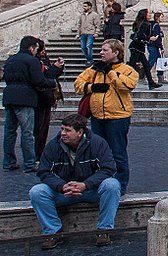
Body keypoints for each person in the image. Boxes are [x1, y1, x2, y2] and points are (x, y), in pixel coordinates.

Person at [29, 114, 121, 250]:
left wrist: (85, 185)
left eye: (67, 130)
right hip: (64, 191)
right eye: (62, 129)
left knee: (112, 185)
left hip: (90, 190)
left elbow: (108, 169)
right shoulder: (53, 146)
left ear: (80, 132)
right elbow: (44, 171)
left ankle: (104, 230)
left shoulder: (98, 143)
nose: (63, 133)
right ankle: (53, 232)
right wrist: (62, 186)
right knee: (37, 192)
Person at [74, 39, 138, 192]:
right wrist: (91, 87)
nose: (101, 53)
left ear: (115, 53)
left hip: (118, 117)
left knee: (118, 152)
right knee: (98, 151)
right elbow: (78, 83)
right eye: (101, 50)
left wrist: (110, 72)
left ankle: (120, 185)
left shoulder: (127, 70)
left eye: (105, 50)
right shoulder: (95, 69)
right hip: (98, 116)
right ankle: (100, 181)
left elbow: (127, 85)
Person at [3, 36, 54, 172]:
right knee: (27, 132)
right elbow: (38, 81)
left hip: (9, 96)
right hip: (25, 98)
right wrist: (52, 83)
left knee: (9, 132)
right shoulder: (32, 61)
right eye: (36, 48)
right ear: (31, 48)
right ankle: (30, 163)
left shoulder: (10, 60)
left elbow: (5, 77)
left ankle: (9, 161)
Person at [33, 41, 65, 162]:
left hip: (46, 98)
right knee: (39, 128)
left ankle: (38, 153)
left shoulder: (42, 59)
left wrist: (58, 67)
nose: (43, 51)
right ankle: (36, 155)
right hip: (41, 97)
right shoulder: (36, 61)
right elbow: (47, 76)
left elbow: (51, 74)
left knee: (42, 128)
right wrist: (55, 68)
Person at [127, 9, 162, 90]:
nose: (150, 15)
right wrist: (150, 38)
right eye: (148, 14)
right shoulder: (145, 24)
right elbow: (140, 35)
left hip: (137, 47)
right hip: (137, 47)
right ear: (144, 15)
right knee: (133, 65)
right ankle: (126, 79)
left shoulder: (139, 23)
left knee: (146, 65)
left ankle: (151, 82)